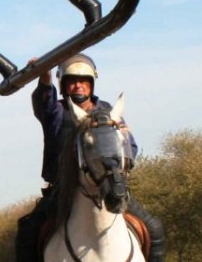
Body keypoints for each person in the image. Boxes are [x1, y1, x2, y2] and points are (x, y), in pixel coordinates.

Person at [16, 54, 167, 262]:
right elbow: (43, 104)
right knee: (28, 232)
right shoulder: (56, 111)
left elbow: (130, 146)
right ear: (63, 85)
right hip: (63, 190)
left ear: (91, 84)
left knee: (154, 228)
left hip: (110, 183)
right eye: (72, 81)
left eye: (83, 81)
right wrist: (44, 79)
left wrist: (123, 144)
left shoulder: (109, 113)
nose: (78, 85)